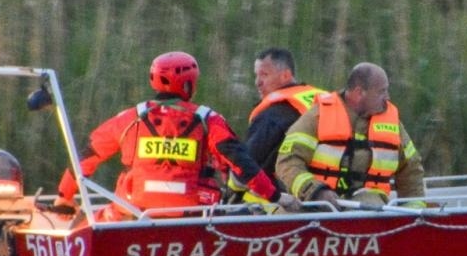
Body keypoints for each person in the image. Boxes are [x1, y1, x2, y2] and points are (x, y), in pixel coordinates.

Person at [56, 51, 298, 217]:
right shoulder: (207, 120)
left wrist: (64, 197)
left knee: (91, 218)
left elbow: (85, 157)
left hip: (133, 215)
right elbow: (242, 162)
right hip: (193, 217)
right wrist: (276, 196)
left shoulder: (130, 119)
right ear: (189, 84)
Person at [275, 62, 426, 209]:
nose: (387, 97)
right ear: (359, 92)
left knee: (368, 211)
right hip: (316, 201)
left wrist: (413, 212)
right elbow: (287, 162)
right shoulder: (318, 116)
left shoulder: (392, 123)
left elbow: (411, 169)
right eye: (381, 91)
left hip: (368, 203)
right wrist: (315, 191)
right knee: (283, 217)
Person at [244, 47, 325, 179]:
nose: (257, 82)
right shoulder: (321, 99)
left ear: (286, 76)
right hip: (329, 187)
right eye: (256, 75)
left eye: (264, 75)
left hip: (286, 192)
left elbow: (246, 163)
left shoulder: (274, 114)